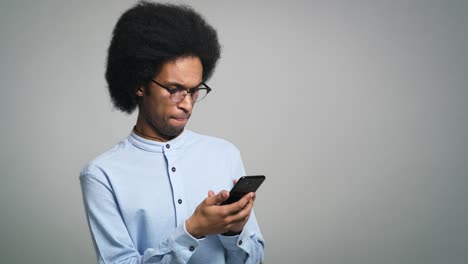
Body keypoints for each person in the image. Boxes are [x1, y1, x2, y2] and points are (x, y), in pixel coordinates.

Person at [79, 1, 265, 264]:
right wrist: (193, 231)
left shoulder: (225, 154)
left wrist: (233, 231)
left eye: (194, 90)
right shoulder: (101, 175)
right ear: (139, 84)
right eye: (174, 89)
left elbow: (253, 260)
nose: (187, 103)